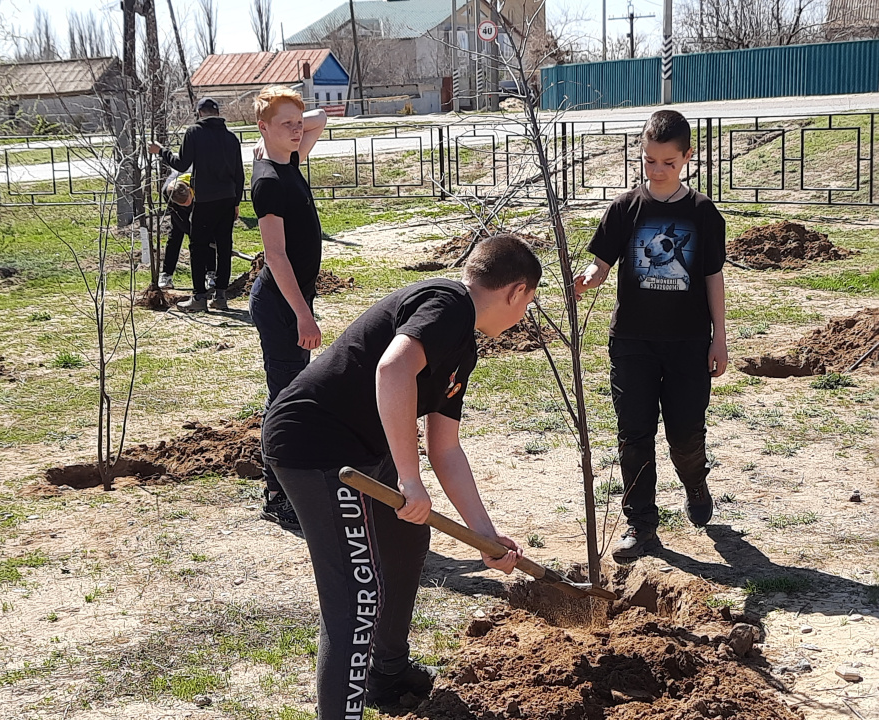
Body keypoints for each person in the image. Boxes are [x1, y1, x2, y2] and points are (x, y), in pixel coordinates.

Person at [262, 234, 539, 718]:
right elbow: (392, 370)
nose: (523, 315)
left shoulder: (462, 348)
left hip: (363, 447)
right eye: (528, 303)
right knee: (356, 599)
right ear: (516, 291)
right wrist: (409, 480)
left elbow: (445, 447)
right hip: (317, 447)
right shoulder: (448, 303)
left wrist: (485, 535)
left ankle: (386, 673)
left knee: (408, 541)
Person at [574, 109, 728, 563]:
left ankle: (694, 479)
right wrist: (589, 276)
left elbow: (713, 278)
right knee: (634, 434)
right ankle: (641, 526)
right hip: (633, 344)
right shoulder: (625, 208)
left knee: (684, 432)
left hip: (688, 345)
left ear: (687, 158)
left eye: (668, 162)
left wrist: (719, 338)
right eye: (649, 161)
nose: (657, 171)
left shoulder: (703, 213)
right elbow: (601, 263)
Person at [248, 86, 327, 529]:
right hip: (281, 305)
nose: (298, 130)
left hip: (293, 301)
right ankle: (276, 495)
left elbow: (320, 121)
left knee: (290, 394)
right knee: (285, 400)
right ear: (263, 129)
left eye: (298, 124)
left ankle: (287, 485)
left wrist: (289, 114)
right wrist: (303, 313)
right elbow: (274, 255)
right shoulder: (268, 182)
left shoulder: (287, 158)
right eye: (286, 125)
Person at [148, 97, 243, 312]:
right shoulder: (231, 138)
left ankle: (199, 296)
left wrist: (161, 151)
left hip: (205, 200)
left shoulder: (194, 133)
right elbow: (239, 173)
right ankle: (220, 296)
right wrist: (236, 202)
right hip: (228, 198)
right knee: (224, 247)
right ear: (218, 113)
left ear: (200, 113)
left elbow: (181, 164)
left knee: (198, 246)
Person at [156, 171, 214, 290]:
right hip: (178, 207)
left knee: (207, 234)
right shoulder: (167, 193)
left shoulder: (201, 184)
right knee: (176, 234)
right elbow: (181, 221)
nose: (186, 206)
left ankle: (211, 273)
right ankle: (166, 274)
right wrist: (193, 234)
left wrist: (201, 233)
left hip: (200, 201)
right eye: (184, 204)